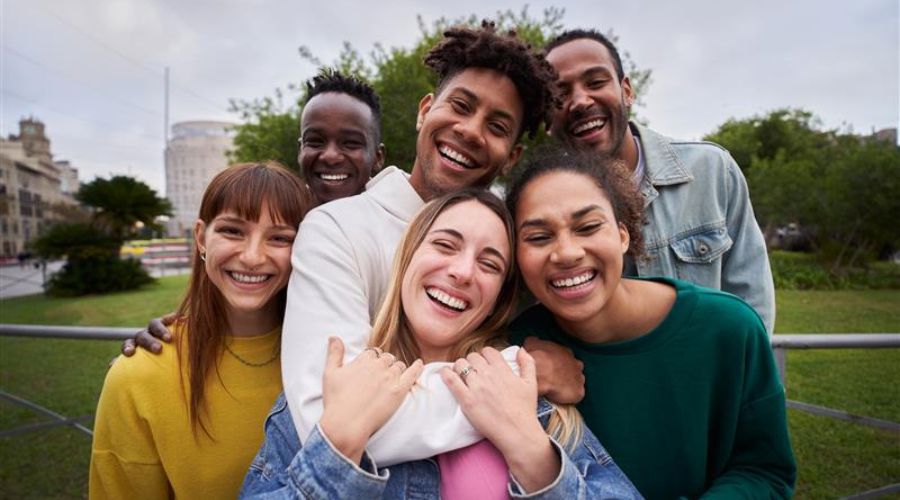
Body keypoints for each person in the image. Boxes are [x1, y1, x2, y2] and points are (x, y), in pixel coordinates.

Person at [280, 21, 583, 466]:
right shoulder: (336, 228)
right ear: (425, 110)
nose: (470, 131)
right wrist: (518, 376)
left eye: (497, 126)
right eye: (460, 105)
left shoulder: (514, 248)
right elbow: (334, 426)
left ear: (512, 157)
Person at [241, 189, 641, 499]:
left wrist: (535, 458)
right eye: (445, 245)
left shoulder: (533, 403)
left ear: (497, 300)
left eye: (489, 264)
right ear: (407, 257)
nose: (463, 272)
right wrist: (338, 448)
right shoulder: (332, 392)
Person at [504, 148, 796, 498]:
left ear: (623, 236)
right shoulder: (515, 346)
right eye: (538, 237)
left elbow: (764, 471)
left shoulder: (729, 329)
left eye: (588, 227)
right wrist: (513, 371)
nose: (567, 253)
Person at [89, 162, 313, 499]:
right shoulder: (135, 377)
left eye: (280, 238)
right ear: (200, 238)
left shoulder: (329, 359)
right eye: (233, 231)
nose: (252, 257)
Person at [543, 29, 776, 333]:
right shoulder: (539, 203)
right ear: (547, 117)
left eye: (596, 82)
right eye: (560, 95)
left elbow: (751, 299)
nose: (580, 101)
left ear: (626, 91)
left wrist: (743, 374)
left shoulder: (712, 171)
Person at [299, 68, 385, 205]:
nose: (330, 156)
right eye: (315, 142)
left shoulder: (406, 220)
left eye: (350, 143)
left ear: (377, 158)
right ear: (301, 150)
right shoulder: (276, 216)